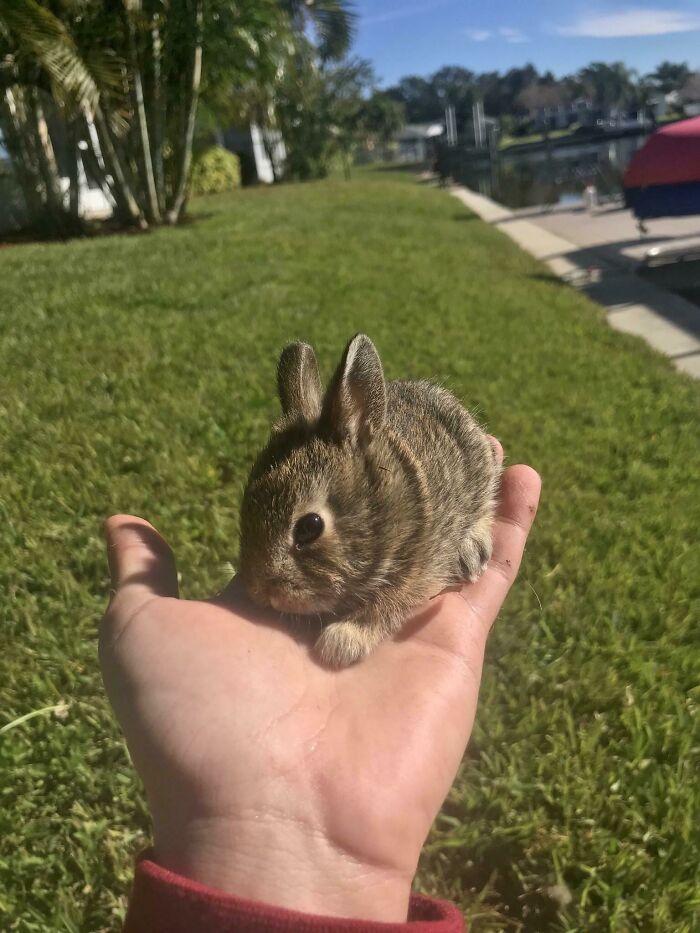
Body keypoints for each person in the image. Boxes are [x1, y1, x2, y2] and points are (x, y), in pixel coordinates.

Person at [99, 442, 540, 933]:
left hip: (441, 474)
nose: (262, 590)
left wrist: (369, 623)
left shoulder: (396, 510)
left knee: (472, 464)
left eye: (308, 531)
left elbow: (420, 570)